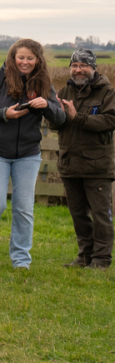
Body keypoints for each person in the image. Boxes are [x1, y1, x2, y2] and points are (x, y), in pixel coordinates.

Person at [0, 39, 65, 267]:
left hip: (28, 155)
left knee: (24, 208)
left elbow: (60, 118)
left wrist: (47, 105)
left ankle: (21, 260)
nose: (25, 62)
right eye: (21, 57)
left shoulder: (43, 82)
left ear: (38, 60)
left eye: (30, 58)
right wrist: (4, 113)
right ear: (13, 57)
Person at [51, 50, 114, 268]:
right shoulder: (64, 91)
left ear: (93, 68)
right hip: (70, 163)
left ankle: (101, 259)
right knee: (78, 214)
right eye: (74, 65)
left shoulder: (106, 92)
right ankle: (85, 256)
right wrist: (56, 115)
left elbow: (110, 121)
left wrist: (77, 117)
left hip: (97, 165)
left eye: (83, 65)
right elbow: (54, 124)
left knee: (100, 214)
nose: (78, 70)